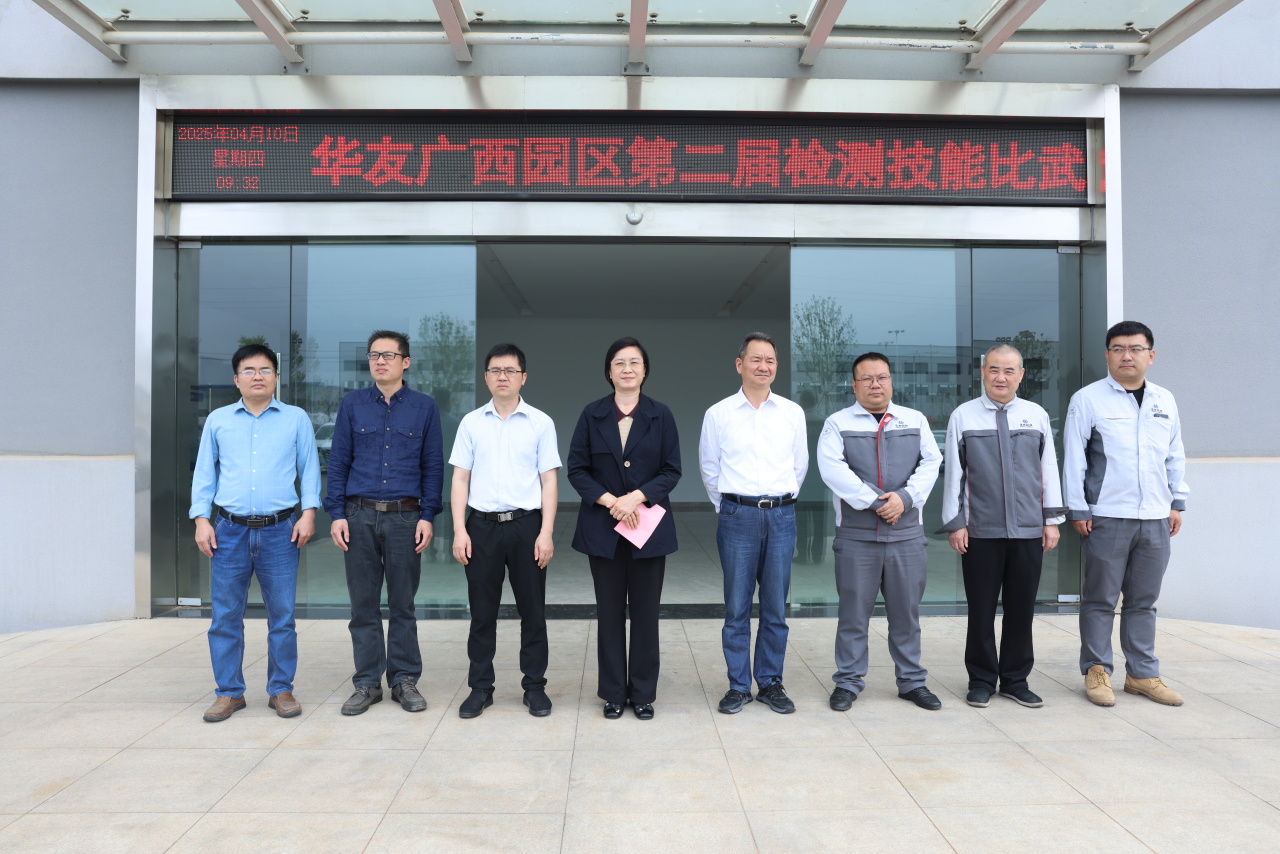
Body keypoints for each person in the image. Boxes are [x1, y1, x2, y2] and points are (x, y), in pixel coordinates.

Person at [190, 343, 320, 722]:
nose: (257, 376)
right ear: (236, 379)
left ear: (276, 377)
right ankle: (229, 692)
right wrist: (201, 519)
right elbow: (205, 472)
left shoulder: (296, 419)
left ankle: (281, 689)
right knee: (225, 616)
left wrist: (309, 513)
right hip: (228, 530)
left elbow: (309, 469)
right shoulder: (218, 420)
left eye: (265, 370)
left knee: (282, 616)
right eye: (249, 370)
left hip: (281, 531)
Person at [1063, 321, 1189, 707]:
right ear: (1107, 356)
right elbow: (1073, 458)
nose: (1127, 356)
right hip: (1107, 515)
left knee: (1143, 601)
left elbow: (1174, 453)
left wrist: (1176, 501)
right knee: (1100, 599)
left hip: (1155, 516)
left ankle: (1142, 674)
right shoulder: (1088, 399)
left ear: (1151, 355)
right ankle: (1097, 671)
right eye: (1118, 349)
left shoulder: (1164, 400)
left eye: (1135, 349)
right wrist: (1078, 507)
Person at [938, 344, 1065, 709]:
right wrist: (956, 523)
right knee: (980, 610)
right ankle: (980, 680)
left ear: (1021, 375)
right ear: (983, 372)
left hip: (1028, 531)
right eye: (994, 369)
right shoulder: (963, 416)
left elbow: (1048, 469)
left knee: (1021, 610)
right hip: (980, 532)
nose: (1001, 377)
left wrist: (1051, 520)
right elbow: (954, 475)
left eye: (1009, 370)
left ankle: (1015, 680)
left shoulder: (1035, 415)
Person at [325, 330, 443, 716]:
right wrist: (336, 514)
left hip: (406, 517)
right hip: (358, 516)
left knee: (402, 604)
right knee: (363, 606)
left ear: (405, 362)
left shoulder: (424, 407)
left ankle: (404, 680)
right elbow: (339, 461)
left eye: (388, 355)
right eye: (374, 355)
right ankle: (367, 683)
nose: (380, 361)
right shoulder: (352, 404)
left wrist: (427, 515)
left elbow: (432, 466)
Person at [816, 352, 942, 711]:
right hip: (857, 537)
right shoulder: (837, 423)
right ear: (854, 385)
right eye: (867, 378)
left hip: (906, 536)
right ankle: (848, 682)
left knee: (906, 615)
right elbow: (832, 470)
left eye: (882, 377)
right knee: (853, 615)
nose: (875, 384)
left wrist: (905, 498)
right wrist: (876, 502)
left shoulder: (914, 420)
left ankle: (912, 681)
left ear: (891, 381)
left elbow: (932, 462)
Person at [568, 337, 681, 720]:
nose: (627, 369)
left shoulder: (661, 415)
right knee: (610, 613)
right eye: (619, 362)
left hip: (648, 529)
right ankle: (614, 692)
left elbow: (672, 470)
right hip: (603, 529)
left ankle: (643, 693)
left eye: (634, 362)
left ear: (645, 371)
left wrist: (635, 498)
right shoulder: (592, 414)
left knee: (646, 614)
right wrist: (612, 502)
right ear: (609, 371)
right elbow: (577, 470)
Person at [450, 343, 560, 719]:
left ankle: (535, 687)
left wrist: (546, 532)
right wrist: (459, 530)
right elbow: (460, 479)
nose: (502, 376)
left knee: (533, 612)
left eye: (510, 370)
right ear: (486, 377)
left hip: (527, 526)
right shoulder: (471, 423)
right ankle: (481, 688)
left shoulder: (541, 423)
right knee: (482, 614)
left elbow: (549, 481)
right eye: (496, 370)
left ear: (523, 378)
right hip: (481, 527)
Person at [699, 332, 807, 714]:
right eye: (756, 359)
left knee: (775, 606)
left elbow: (798, 466)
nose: (764, 366)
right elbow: (709, 469)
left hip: (781, 515)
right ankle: (738, 685)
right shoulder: (718, 414)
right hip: (737, 516)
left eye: (770, 360)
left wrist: (778, 502)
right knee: (737, 607)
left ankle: (771, 682)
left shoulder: (792, 413)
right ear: (739, 364)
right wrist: (731, 508)